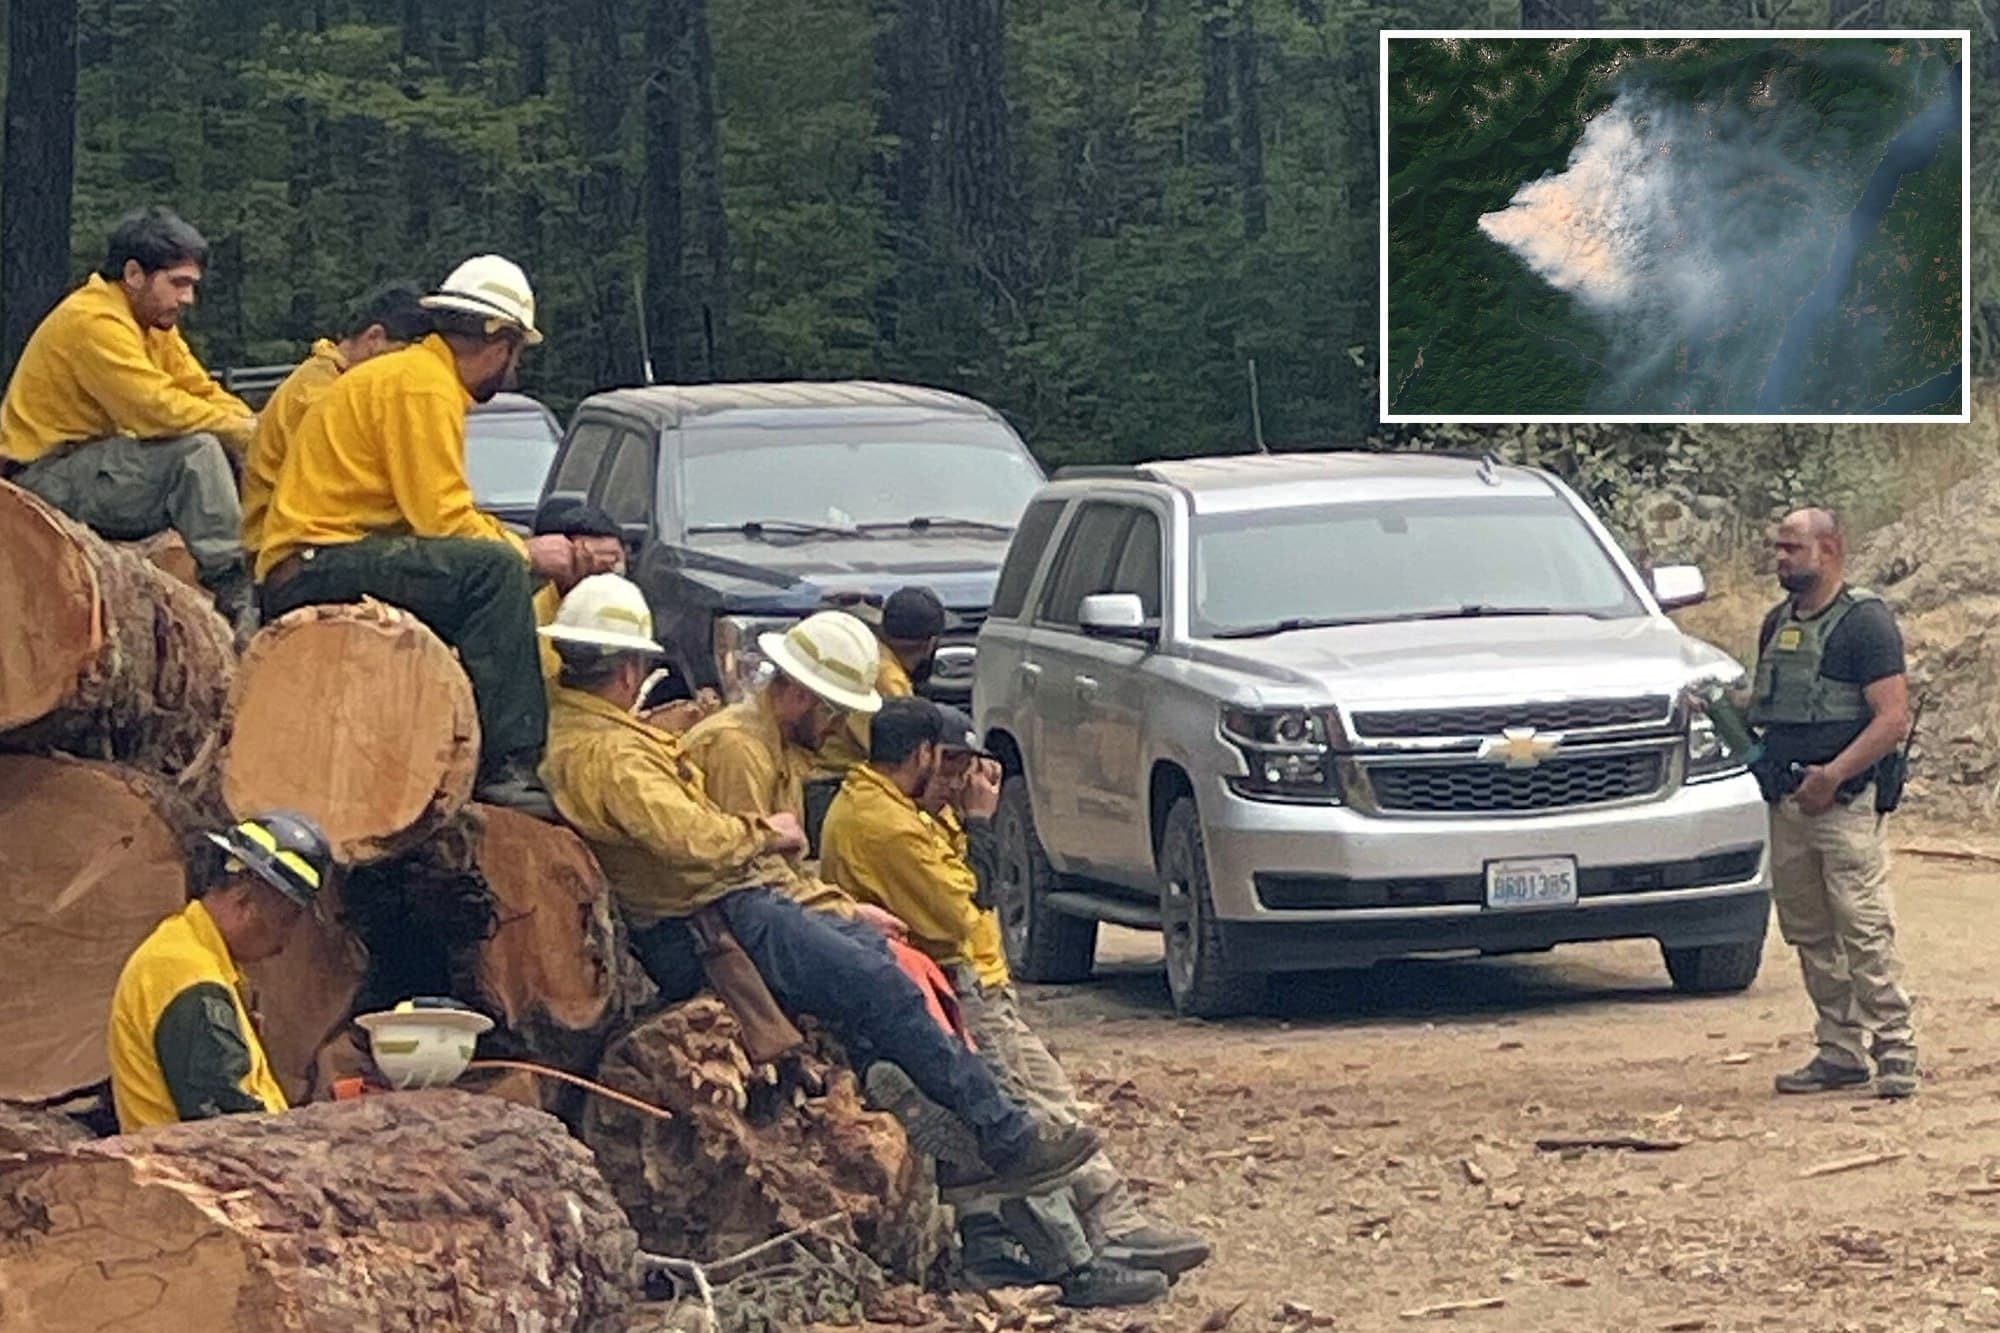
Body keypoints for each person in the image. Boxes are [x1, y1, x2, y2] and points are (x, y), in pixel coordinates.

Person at [536, 575, 1100, 1191]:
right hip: (711, 919)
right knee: (881, 984)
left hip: (727, 905)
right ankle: (1006, 1138)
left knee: (877, 978)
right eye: (835, 712)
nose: (837, 731)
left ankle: (955, 1151)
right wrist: (768, 832)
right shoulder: (648, 753)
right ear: (626, 672)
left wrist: (839, 908)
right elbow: (697, 844)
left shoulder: (619, 740)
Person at [819, 700, 1211, 1299]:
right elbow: (963, 905)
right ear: (922, 754)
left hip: (961, 981)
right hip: (939, 983)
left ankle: (1086, 1232)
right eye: (949, 766)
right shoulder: (884, 822)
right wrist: (978, 822)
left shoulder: (906, 811)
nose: (957, 782)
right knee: (1028, 1126)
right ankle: (1081, 1254)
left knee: (1031, 1112)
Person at [257, 255, 575, 811]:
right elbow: (445, 521)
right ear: (498, 342)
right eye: (517, 353)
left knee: (496, 571)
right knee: (497, 571)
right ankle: (508, 766)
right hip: (312, 564)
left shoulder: (412, 377)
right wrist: (525, 552)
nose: (514, 369)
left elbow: (441, 518)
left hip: (320, 556)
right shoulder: (424, 387)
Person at [0, 207, 258, 625]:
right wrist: (248, 434)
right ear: (135, 274)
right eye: (178, 284)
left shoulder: (150, 323)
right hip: (38, 484)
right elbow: (153, 409)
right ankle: (235, 592)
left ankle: (251, 571)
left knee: (221, 444)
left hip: (86, 465)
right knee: (196, 453)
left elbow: (199, 389)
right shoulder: (95, 321)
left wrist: (254, 432)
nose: (187, 299)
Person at [1747, 508, 1917, 1099]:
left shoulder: (1865, 624)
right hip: (1790, 801)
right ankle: (1839, 1050)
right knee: (1811, 931)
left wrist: (1834, 774)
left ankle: (1895, 1047)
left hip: (1843, 802)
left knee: (1863, 925)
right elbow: (1769, 706)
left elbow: (1892, 719)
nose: (1782, 558)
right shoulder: (1777, 624)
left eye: (1793, 547)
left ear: (1830, 549)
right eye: (1779, 548)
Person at [680, 615, 909, 935]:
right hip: (722, 919)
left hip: (758, 905)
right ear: (801, 696)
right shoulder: (738, 748)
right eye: (836, 713)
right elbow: (753, 870)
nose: (838, 729)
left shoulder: (777, 748)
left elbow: (785, 869)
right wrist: (847, 912)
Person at [107, 812, 334, 1132]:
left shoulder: (190, 954)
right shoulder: (191, 978)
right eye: (285, 922)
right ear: (245, 903)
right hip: (191, 1177)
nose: (284, 944)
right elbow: (230, 1125)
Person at [241, 281, 430, 563]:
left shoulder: (336, 379)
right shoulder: (317, 396)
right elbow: (332, 494)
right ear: (374, 338)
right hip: (290, 549)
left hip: (330, 540)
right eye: (404, 358)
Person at [811, 584, 947, 776]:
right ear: (931, 643)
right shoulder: (891, 682)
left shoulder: (866, 652)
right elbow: (906, 759)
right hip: (840, 775)